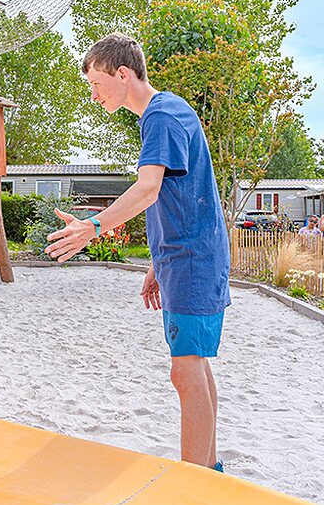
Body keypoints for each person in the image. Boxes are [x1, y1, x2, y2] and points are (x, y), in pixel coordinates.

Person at [46, 33, 229, 471]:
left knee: (186, 370)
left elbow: (147, 189)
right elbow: (174, 194)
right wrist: (156, 264)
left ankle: (196, 479)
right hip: (185, 258)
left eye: (96, 83)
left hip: (193, 260)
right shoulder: (166, 112)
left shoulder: (161, 116)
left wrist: (92, 227)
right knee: (195, 367)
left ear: (123, 74)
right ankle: (211, 472)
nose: (94, 95)